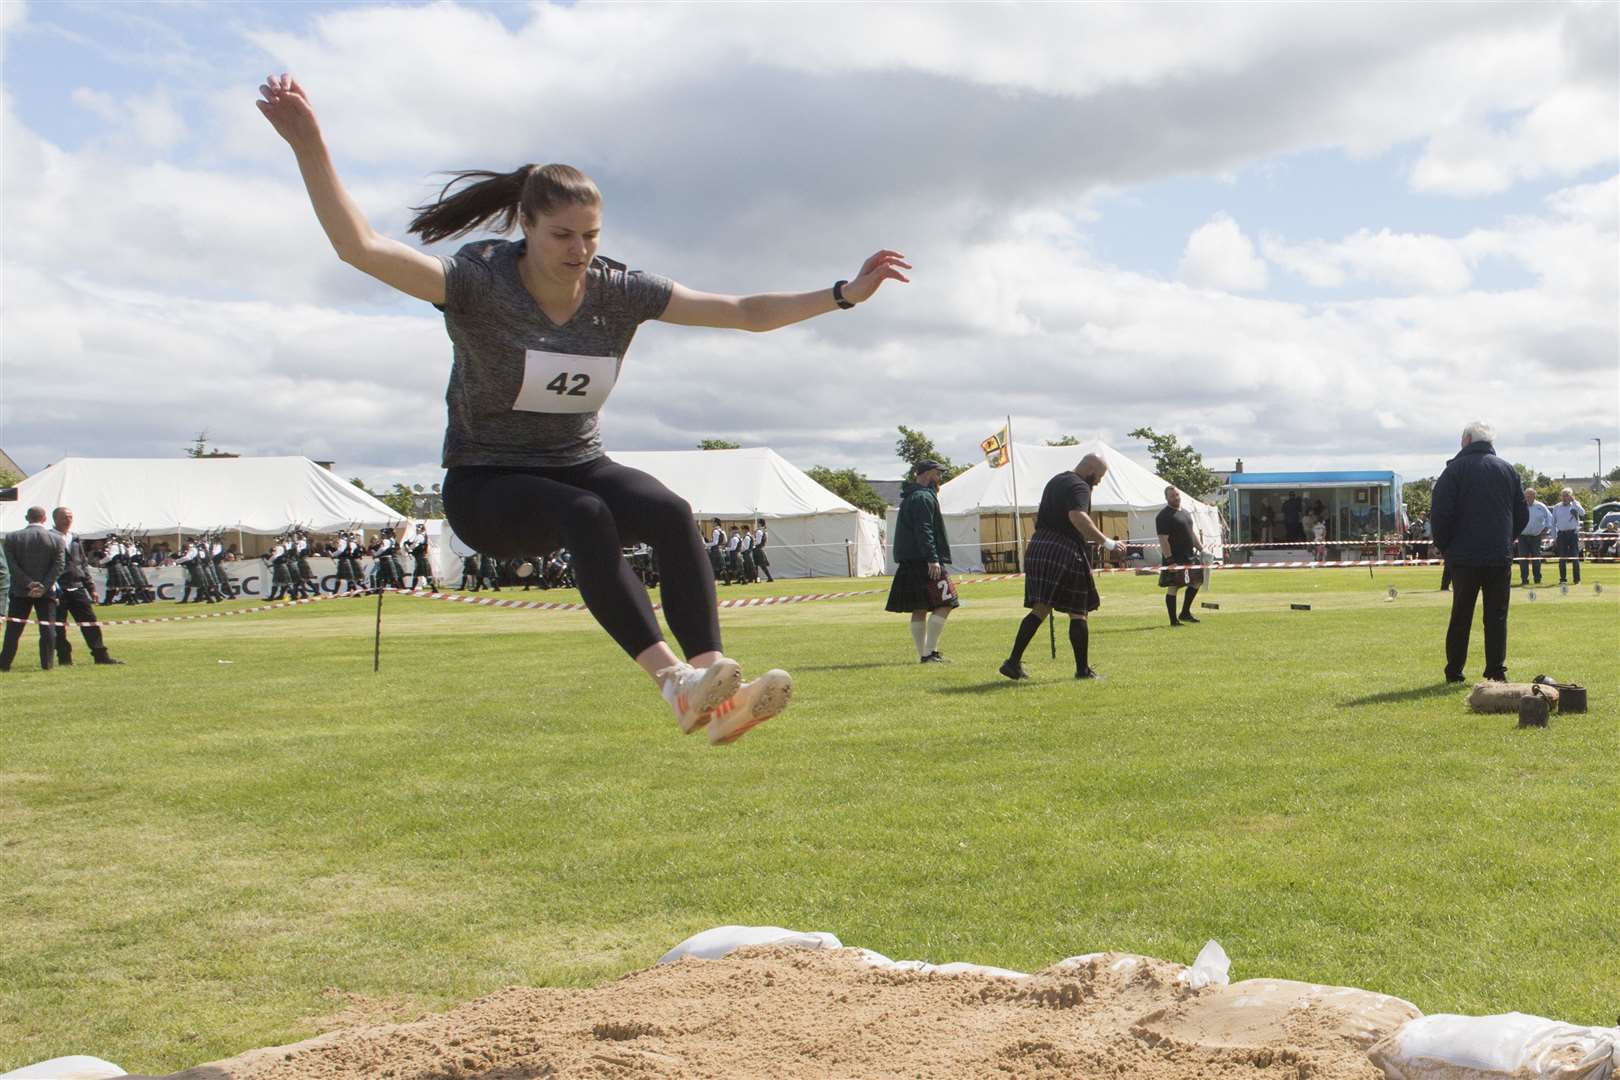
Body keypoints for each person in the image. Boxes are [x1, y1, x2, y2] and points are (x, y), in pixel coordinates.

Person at [257, 74, 905, 741]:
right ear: (525, 226)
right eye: (562, 236)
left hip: (577, 464)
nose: (579, 252)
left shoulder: (618, 291)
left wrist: (843, 294)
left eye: (591, 236)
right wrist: (309, 146)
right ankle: (671, 683)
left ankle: (714, 684)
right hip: (487, 486)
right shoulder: (478, 283)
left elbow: (741, 311)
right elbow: (358, 248)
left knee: (670, 511)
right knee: (586, 513)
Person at [999, 454, 1121, 680]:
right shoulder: (1080, 486)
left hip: (1039, 547)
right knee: (1078, 611)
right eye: (1099, 477)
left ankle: (1012, 662)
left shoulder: (1056, 481)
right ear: (1090, 470)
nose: (1098, 482)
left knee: (1041, 608)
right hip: (1064, 550)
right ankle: (1082, 670)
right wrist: (1107, 542)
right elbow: (1077, 516)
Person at [1430, 421, 1526, 683]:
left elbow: (1440, 513)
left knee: (1461, 615)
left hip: (1463, 557)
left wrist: (1446, 545)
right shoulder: (1508, 470)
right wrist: (1507, 538)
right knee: (1496, 616)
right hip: (1499, 555)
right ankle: (1496, 671)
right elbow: (1522, 515)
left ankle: (1454, 671)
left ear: (1467, 440)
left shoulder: (1453, 471)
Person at [886, 460, 955, 663]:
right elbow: (924, 530)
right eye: (937, 474)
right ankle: (929, 651)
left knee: (920, 608)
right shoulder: (923, 497)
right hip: (924, 561)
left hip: (911, 561)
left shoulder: (911, 497)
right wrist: (932, 558)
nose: (939, 478)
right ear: (928, 474)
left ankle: (924, 654)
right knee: (947, 602)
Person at [50, 507, 123, 667]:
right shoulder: (49, 537)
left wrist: (92, 588)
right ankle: (64, 658)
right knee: (59, 627)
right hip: (58, 588)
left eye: (70, 516)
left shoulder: (75, 539)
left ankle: (100, 655)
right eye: (64, 517)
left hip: (77, 587)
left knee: (90, 622)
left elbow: (82, 564)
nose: (68, 520)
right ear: (55, 519)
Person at [1, 506, 66, 672]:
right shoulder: (57, 539)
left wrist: (28, 583)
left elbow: (11, 566)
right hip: (46, 590)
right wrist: (43, 585)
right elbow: (59, 565)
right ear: (45, 518)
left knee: (13, 630)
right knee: (48, 629)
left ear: (26, 518)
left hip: (20, 591)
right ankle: (47, 664)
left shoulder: (12, 537)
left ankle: (4, 663)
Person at [1155, 486, 1204, 627]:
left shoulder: (1186, 513)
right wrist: (1170, 560)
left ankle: (1185, 613)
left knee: (1196, 582)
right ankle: (1173, 621)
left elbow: (1192, 534)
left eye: (1177, 495)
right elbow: (1163, 539)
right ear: (1166, 498)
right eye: (1172, 496)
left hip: (1189, 556)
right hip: (1174, 558)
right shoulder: (1163, 516)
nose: (1176, 498)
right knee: (1174, 587)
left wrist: (1202, 550)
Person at [1550, 487, 1584, 585]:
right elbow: (1553, 523)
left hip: (1573, 534)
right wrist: (1554, 537)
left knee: (1575, 557)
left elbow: (1583, 513)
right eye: (1563, 495)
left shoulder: (1575, 505)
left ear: (1571, 496)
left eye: (1567, 495)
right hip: (1561, 535)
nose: (1564, 498)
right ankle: (1563, 579)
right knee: (1562, 558)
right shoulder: (1556, 507)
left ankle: (1577, 580)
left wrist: (1575, 503)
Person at [1517, 488, 1552, 586]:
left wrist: (1545, 530)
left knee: (1536, 559)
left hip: (1536, 536)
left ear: (1534, 496)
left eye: (1529, 496)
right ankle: (1524, 579)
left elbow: (1550, 519)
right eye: (1526, 496)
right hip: (1522, 536)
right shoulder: (1520, 506)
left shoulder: (1541, 506)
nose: (1527, 498)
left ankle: (1537, 579)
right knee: (1523, 560)